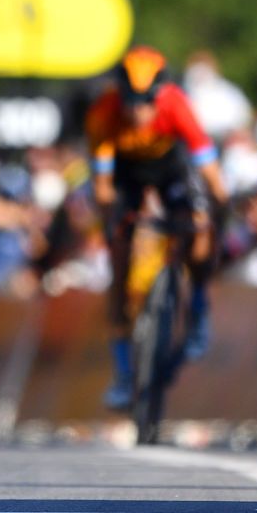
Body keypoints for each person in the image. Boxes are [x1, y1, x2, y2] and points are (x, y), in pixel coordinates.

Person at [86, 45, 228, 410]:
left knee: (198, 229)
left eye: (146, 101)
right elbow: (103, 188)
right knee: (118, 263)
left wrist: (213, 215)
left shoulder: (176, 105)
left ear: (160, 95)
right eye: (130, 101)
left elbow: (212, 176)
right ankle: (122, 375)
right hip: (126, 174)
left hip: (171, 167)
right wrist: (117, 222)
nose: (137, 111)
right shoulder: (104, 113)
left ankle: (197, 301)